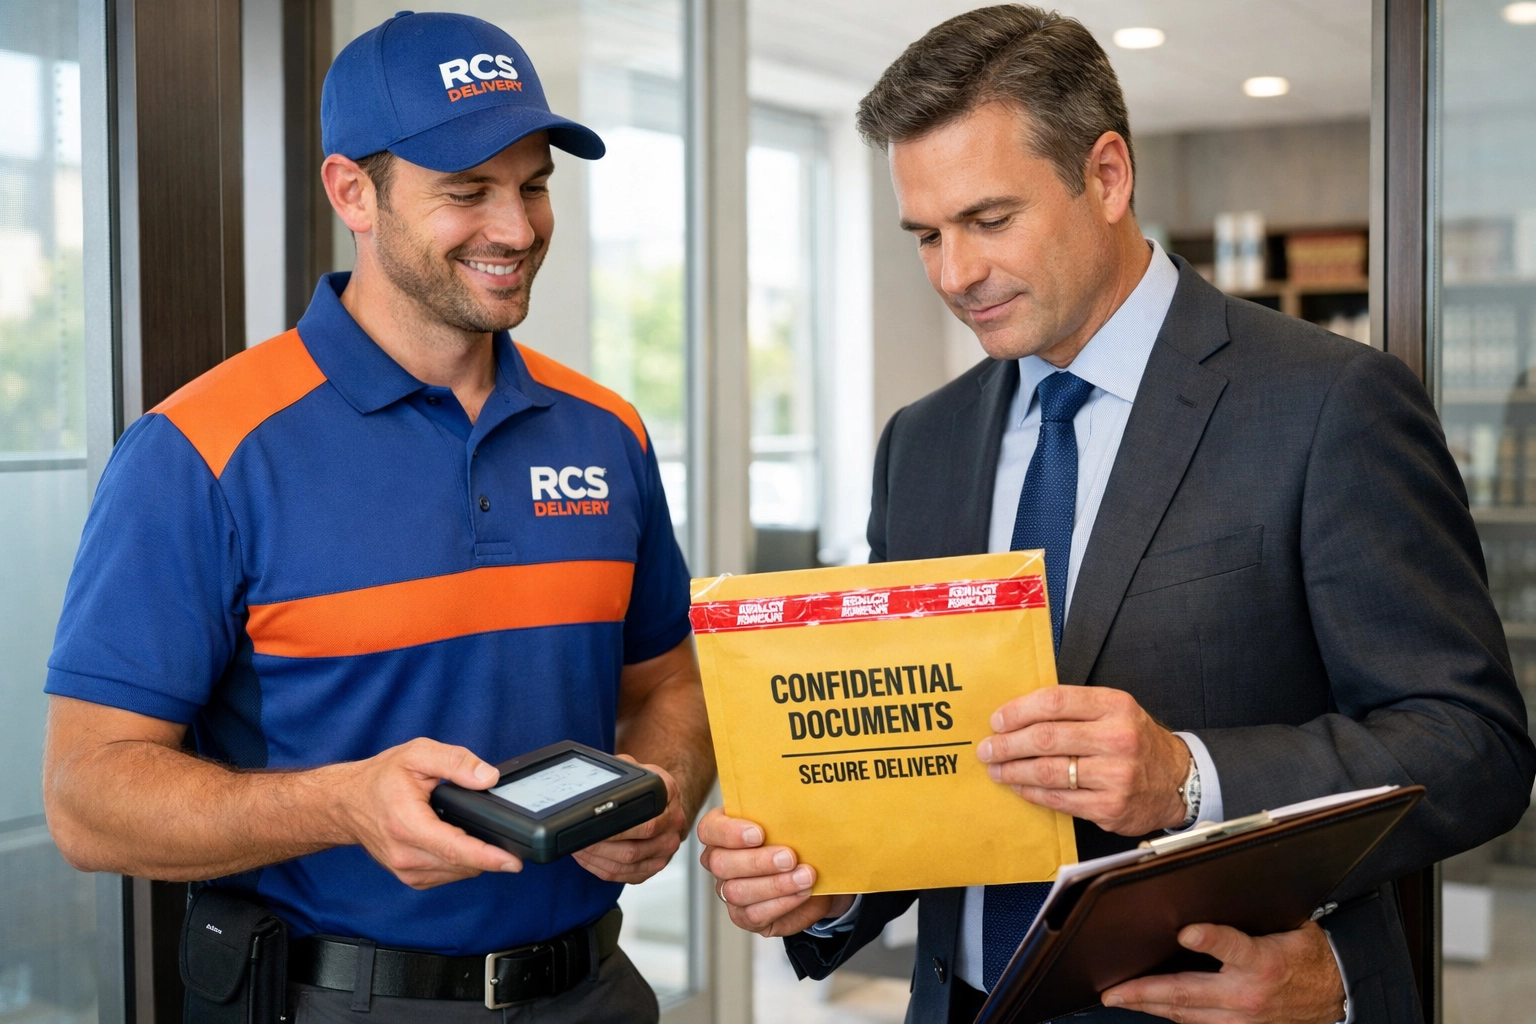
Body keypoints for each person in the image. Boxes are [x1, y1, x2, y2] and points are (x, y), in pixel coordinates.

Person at [697, 6, 1534, 1023]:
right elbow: (926, 768)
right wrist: (823, 884)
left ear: (1106, 175)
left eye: (989, 220)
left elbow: (1472, 744)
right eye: (926, 233)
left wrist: (1190, 777)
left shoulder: (1327, 404)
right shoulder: (921, 443)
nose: (954, 274)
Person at [40, 12, 711, 1023]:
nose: (517, 229)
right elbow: (87, 800)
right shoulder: (202, 450)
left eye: (533, 185)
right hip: (333, 1000)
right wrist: (340, 804)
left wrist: (664, 782)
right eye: (466, 191)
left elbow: (672, 677)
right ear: (352, 190)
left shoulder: (606, 432)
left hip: (594, 992)